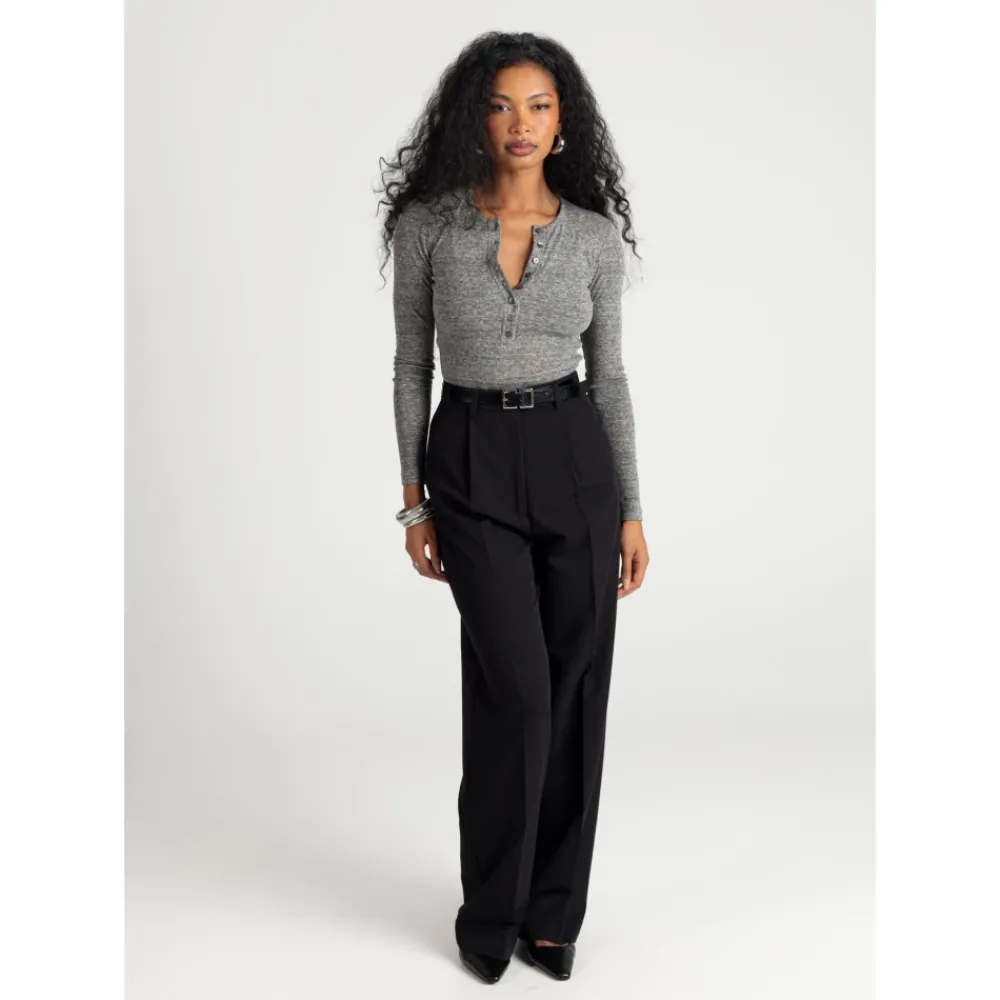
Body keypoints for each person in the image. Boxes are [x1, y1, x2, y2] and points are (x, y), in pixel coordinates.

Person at [377, 30, 650, 984]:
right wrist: (414, 505)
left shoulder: (593, 237)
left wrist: (632, 509)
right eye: (500, 105)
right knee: (517, 691)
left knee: (575, 689)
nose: (520, 123)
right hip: (470, 458)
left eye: (538, 105)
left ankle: (553, 913)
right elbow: (411, 366)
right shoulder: (429, 227)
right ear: (474, 118)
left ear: (563, 121)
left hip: (576, 456)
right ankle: (491, 911)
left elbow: (610, 377)